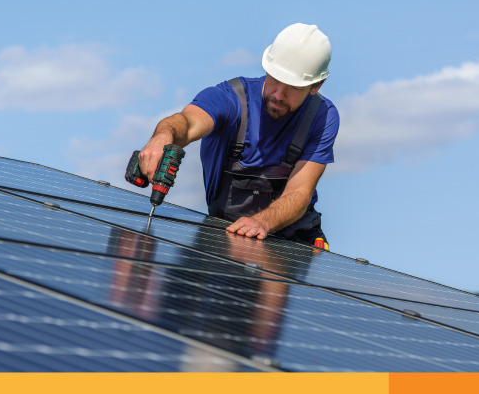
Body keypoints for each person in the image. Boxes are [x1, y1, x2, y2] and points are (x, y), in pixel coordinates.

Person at [138, 23, 340, 246]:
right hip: (230, 236)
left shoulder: (321, 116)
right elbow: (187, 121)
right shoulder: (232, 99)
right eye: (275, 79)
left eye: (292, 87)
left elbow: (300, 191)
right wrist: (163, 136)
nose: (278, 94)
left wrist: (262, 222)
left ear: (316, 86)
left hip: (295, 240)